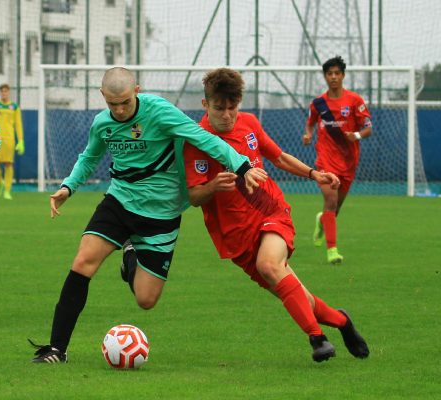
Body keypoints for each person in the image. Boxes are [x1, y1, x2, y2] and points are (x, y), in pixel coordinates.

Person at [29, 67, 267, 363]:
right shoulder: (102, 123)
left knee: (146, 300)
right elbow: (89, 158)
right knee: (82, 262)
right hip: (120, 201)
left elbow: (202, 138)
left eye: (125, 103)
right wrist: (68, 187)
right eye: (112, 104)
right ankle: (56, 349)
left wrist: (242, 167)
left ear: (137, 91)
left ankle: (130, 254)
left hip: (161, 213)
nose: (118, 110)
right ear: (103, 96)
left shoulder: (160, 112)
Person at [183, 67, 369, 362]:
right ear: (206, 105)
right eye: (220, 108)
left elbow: (279, 157)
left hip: (270, 211)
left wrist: (314, 173)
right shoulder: (195, 140)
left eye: (233, 107)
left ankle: (318, 339)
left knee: (269, 265)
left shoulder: (249, 123)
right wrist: (214, 187)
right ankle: (342, 322)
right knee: (296, 295)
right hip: (236, 237)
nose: (228, 115)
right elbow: (193, 197)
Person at [302, 56, 372, 264]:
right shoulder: (318, 104)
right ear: (325, 77)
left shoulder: (355, 101)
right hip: (325, 160)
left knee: (335, 208)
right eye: (329, 74)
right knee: (330, 201)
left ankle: (322, 220)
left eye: (337, 73)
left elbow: (368, 127)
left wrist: (357, 136)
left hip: (348, 162)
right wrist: (307, 134)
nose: (333, 77)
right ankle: (332, 251)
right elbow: (310, 123)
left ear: (343, 76)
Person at [0, 83, 25, 200]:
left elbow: (18, 124)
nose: (4, 93)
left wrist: (20, 141)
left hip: (9, 140)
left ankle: (7, 191)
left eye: (6, 91)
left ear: (9, 93)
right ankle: (0, 184)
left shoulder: (14, 107)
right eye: (2, 91)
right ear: (0, 93)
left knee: (8, 164)